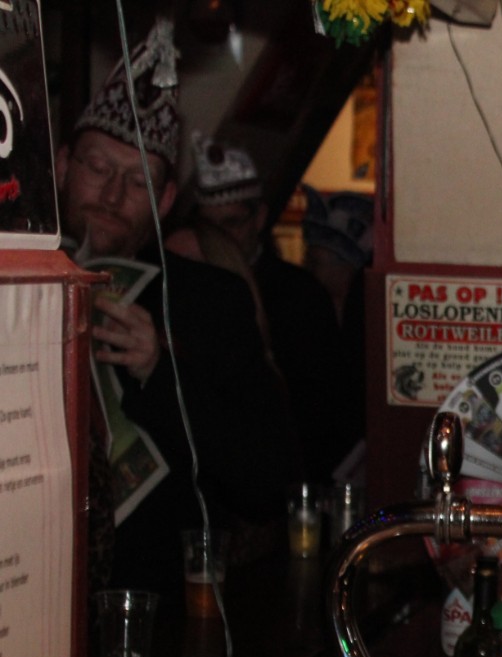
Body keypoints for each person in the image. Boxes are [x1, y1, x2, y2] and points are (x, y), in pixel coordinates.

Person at [56, 19, 298, 594]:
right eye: (97, 168)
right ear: (62, 166)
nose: (112, 195)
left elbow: (268, 478)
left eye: (137, 180)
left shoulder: (210, 300)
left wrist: (160, 373)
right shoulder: (14, 286)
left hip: (155, 601)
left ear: (166, 200)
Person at [189, 134, 352, 482]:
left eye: (232, 223)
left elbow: (323, 413)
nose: (220, 239)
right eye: (209, 227)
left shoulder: (300, 296)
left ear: (259, 218)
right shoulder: (189, 289)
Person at [301, 185, 375, 478]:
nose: (307, 270)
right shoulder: (305, 320)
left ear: (346, 265)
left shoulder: (365, 328)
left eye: (315, 262)